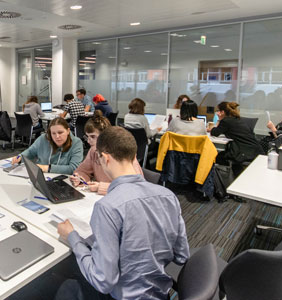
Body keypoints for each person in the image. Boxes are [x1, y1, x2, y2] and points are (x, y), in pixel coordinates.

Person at [56, 126, 189, 300]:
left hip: (123, 296)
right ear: (134, 156)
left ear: (104, 158)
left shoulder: (108, 207)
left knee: (63, 282)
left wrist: (72, 237)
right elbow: (182, 255)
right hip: (160, 293)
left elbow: (103, 281)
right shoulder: (168, 196)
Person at [70, 111, 143, 195]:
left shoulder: (122, 152)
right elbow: (83, 170)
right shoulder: (94, 150)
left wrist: (101, 187)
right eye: (87, 136)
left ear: (104, 137)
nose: (89, 141)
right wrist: (79, 178)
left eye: (93, 136)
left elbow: (134, 187)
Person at [11, 117, 83, 175]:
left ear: (68, 131)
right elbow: (30, 152)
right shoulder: (44, 138)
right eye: (53, 133)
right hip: (41, 176)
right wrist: (20, 157)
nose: (57, 136)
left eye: (60, 132)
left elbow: (73, 168)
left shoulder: (76, 143)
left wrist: (47, 168)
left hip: (62, 180)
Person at [208, 102, 263, 170]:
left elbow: (215, 133)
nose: (217, 113)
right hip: (256, 150)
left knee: (217, 157)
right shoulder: (238, 119)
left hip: (245, 153)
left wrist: (218, 121)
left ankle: (225, 177)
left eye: (218, 111)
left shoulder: (226, 121)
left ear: (222, 112)